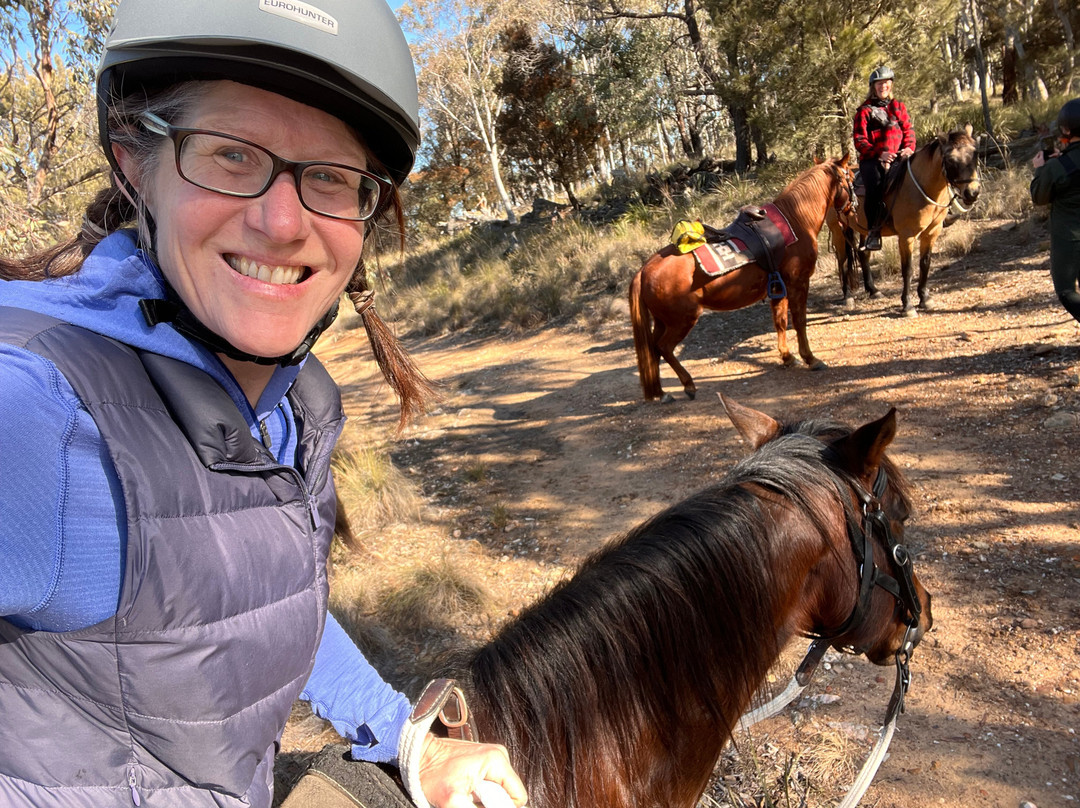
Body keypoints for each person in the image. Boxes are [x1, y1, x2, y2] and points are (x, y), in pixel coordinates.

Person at [0, 2, 528, 807]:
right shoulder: (38, 412)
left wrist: (405, 740)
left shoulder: (292, 407)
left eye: (329, 177)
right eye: (231, 155)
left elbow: (255, 595)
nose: (283, 222)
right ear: (134, 166)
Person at [852, 66, 916, 251]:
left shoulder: (898, 107)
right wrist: (880, 154)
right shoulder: (864, 111)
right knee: (875, 186)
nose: (883, 87)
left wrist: (909, 148)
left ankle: (939, 214)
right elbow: (859, 140)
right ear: (873, 87)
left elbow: (908, 131)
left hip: (900, 157)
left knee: (924, 171)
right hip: (872, 159)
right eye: (879, 84)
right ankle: (873, 231)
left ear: (891, 85)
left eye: (886, 83)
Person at [1031, 98, 1080, 325]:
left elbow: (1039, 198)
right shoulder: (1062, 164)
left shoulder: (1056, 167)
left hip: (1069, 240)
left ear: (1066, 129)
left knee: (1066, 291)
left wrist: (1041, 171)